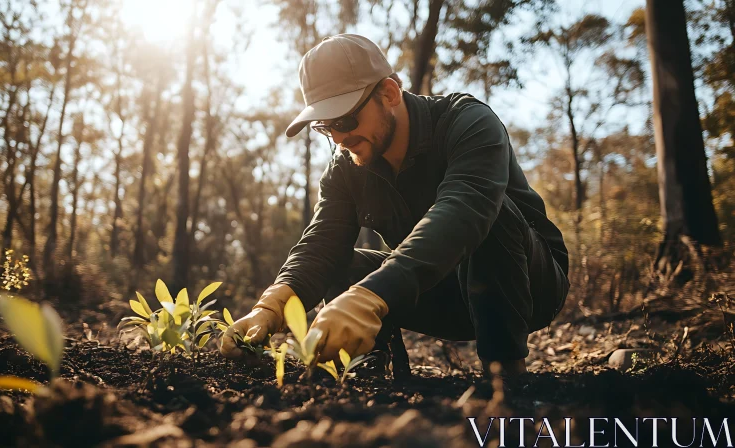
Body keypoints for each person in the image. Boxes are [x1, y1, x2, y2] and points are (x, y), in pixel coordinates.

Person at [220, 34, 569, 378]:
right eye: (326, 127)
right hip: (441, 295)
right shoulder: (346, 167)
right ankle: (365, 373)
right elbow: (321, 244)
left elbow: (464, 210)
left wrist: (372, 294)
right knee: (341, 265)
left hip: (529, 288)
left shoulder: (468, 122)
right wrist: (273, 303)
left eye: (344, 120)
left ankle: (505, 380)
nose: (339, 138)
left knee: (490, 214)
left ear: (388, 93)